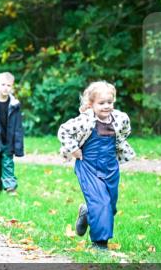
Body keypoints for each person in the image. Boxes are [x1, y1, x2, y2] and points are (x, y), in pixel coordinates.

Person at [58, 81, 135, 251]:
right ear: (90, 104)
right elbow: (63, 131)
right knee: (101, 204)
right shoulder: (85, 120)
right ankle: (99, 244)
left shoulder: (120, 118)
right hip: (88, 166)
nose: (106, 106)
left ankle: (87, 212)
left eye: (110, 102)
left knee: (110, 206)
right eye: (101, 103)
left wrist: (119, 144)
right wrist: (75, 149)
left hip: (110, 167)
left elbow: (125, 131)